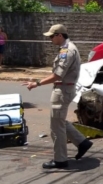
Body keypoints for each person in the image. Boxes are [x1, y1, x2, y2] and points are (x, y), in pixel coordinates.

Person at [22, 24, 93, 169]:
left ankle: (60, 160)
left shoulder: (66, 51)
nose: (50, 40)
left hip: (62, 91)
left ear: (60, 35)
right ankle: (82, 142)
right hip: (64, 89)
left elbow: (57, 75)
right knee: (59, 122)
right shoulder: (67, 48)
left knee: (56, 127)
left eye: (51, 36)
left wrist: (37, 83)